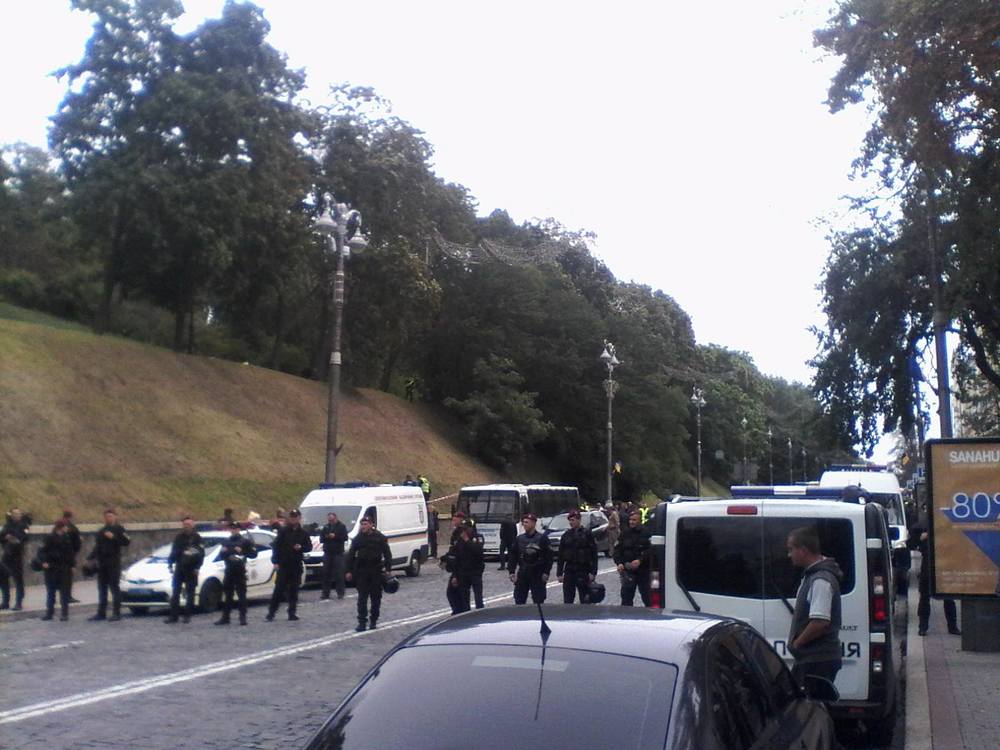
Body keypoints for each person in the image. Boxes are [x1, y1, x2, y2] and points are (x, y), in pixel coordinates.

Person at [786, 526, 844, 687]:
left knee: (811, 702)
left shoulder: (820, 580)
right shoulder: (812, 576)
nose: (789, 555)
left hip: (817, 659)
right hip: (815, 659)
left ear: (803, 550)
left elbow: (820, 622)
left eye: (791, 549)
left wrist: (797, 644)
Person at [912, 512, 960, 636]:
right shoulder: (923, 526)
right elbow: (911, 543)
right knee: (926, 597)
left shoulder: (946, 525)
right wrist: (920, 538)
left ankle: (952, 626)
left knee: (947, 597)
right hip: (929, 565)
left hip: (942, 563)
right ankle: (923, 626)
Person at [346, 516, 392, 631]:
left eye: (366, 524)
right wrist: (348, 571)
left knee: (376, 598)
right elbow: (351, 555)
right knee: (362, 598)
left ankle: (373, 620)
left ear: (371, 525)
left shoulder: (380, 537)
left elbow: (387, 554)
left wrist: (388, 569)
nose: (363, 526)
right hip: (362, 571)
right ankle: (362, 622)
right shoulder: (358, 539)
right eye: (362, 524)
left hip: (376, 571)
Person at [266, 508, 311, 621]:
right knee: (279, 589)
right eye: (292, 517)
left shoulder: (303, 533)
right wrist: (275, 561)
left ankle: (292, 613)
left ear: (299, 518)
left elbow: (309, 547)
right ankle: (271, 613)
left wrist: (301, 547)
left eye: (295, 517)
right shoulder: (283, 531)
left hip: (296, 565)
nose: (293, 519)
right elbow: (276, 546)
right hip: (284, 564)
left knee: (294, 590)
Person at [87, 508, 130, 621]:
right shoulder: (102, 531)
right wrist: (90, 558)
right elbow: (97, 547)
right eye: (106, 516)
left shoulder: (119, 529)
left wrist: (114, 537)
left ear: (115, 517)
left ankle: (116, 613)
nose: (108, 518)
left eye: (110, 516)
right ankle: (101, 613)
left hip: (113, 562)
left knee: (114, 588)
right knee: (102, 588)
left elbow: (126, 542)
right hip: (102, 563)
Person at [216, 522, 257, 626]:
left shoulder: (245, 541)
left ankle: (242, 618)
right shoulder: (226, 541)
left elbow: (254, 554)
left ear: (239, 530)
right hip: (229, 570)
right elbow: (221, 555)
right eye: (232, 529)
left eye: (235, 529)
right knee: (228, 595)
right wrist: (225, 552)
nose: (233, 530)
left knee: (241, 595)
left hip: (240, 571)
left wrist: (242, 551)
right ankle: (226, 617)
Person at [165, 516, 204, 624]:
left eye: (189, 524)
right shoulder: (179, 537)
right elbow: (174, 551)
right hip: (179, 567)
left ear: (192, 525)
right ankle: (174, 616)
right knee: (175, 592)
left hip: (191, 568)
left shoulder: (197, 538)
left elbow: (201, 554)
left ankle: (187, 616)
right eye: (185, 524)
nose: (187, 526)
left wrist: (197, 567)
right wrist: (170, 563)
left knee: (190, 593)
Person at [507, 513, 552, 605]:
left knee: (538, 601)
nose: (524, 524)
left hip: (537, 574)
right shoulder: (519, 539)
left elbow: (549, 557)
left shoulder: (542, 539)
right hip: (523, 574)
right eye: (523, 522)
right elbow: (513, 556)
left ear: (534, 523)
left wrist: (546, 572)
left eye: (527, 522)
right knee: (519, 600)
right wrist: (511, 571)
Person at [557, 510, 598, 603]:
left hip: (583, 569)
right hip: (570, 569)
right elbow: (561, 555)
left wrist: (593, 572)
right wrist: (559, 573)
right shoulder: (566, 535)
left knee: (585, 599)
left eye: (573, 520)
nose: (571, 522)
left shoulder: (587, 534)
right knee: (568, 599)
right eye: (570, 520)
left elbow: (594, 554)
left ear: (579, 520)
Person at [39, 520, 75, 621]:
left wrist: (72, 565)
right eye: (65, 526)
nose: (67, 528)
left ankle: (64, 614)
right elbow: (42, 551)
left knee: (64, 593)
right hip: (51, 567)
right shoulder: (50, 538)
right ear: (61, 527)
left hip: (64, 568)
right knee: (51, 592)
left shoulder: (67, 538)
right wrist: (44, 561)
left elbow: (70, 553)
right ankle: (49, 613)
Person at [614, 510, 652, 606]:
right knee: (626, 598)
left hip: (643, 570)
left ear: (639, 520)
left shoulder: (647, 532)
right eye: (630, 520)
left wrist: (640, 560)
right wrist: (619, 563)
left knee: (647, 597)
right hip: (628, 571)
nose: (631, 522)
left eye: (634, 520)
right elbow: (617, 550)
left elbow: (651, 550)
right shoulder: (625, 533)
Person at [445, 524, 485, 614]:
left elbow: (478, 552)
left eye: (467, 529)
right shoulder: (459, 540)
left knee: (478, 597)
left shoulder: (478, 538)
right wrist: (454, 575)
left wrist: (467, 540)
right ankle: (466, 613)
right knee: (464, 596)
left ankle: (480, 613)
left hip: (476, 572)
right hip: (463, 572)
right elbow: (456, 557)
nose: (465, 532)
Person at [1, 508, 31, 610]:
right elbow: (2, 536)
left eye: (18, 514)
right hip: (6, 555)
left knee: (18, 580)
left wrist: (13, 537)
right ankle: (5, 601)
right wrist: (6, 537)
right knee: (3, 578)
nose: (16, 515)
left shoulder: (23, 525)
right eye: (14, 514)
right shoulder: (8, 525)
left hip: (17, 556)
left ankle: (19, 602)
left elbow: (24, 538)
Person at [319, 511, 348, 600]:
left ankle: (340, 592)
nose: (330, 521)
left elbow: (345, 537)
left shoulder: (341, 526)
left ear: (335, 518)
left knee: (338, 574)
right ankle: (325, 593)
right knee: (326, 574)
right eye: (329, 520)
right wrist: (327, 536)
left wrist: (335, 536)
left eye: (332, 520)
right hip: (328, 553)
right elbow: (321, 539)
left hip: (338, 553)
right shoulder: (326, 527)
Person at [62, 509, 83, 603]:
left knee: (61, 577)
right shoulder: (73, 528)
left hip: (58, 556)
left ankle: (63, 595)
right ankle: (67, 596)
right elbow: (77, 544)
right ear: (70, 517)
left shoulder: (58, 526)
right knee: (68, 577)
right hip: (69, 556)